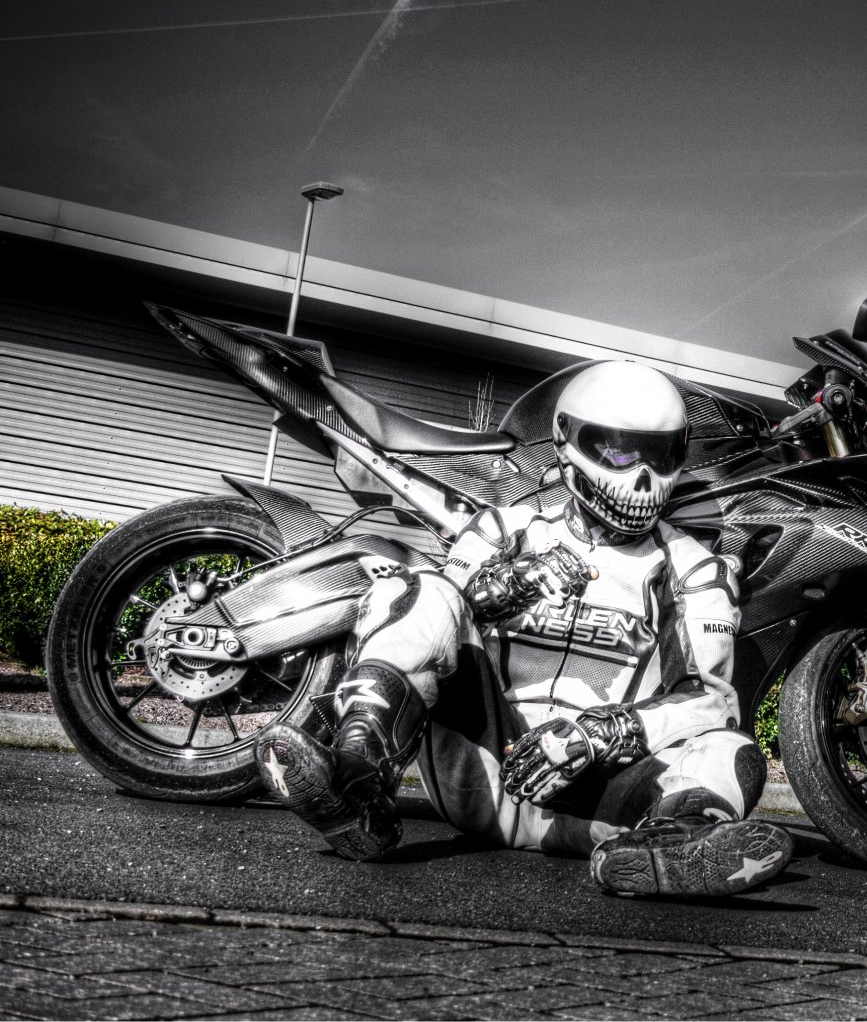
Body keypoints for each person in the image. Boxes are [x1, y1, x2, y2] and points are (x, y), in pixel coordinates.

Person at [253, 360, 792, 898]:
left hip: (603, 799)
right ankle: (358, 778)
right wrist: (504, 588)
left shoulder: (696, 567)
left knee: (731, 746)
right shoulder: (501, 530)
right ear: (566, 442)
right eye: (622, 452)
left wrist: (603, 733)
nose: (642, 477)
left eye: (659, 454)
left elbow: (709, 701)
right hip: (481, 768)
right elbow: (430, 620)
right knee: (415, 588)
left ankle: (676, 841)